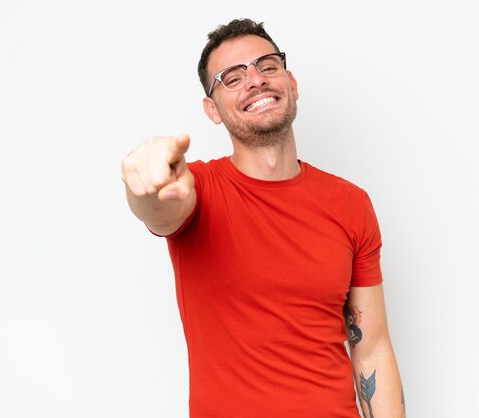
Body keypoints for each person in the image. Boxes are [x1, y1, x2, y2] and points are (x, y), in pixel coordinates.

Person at [121, 18, 405, 418]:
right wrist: (145, 188)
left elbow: (371, 346)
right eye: (232, 78)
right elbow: (162, 208)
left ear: (291, 83)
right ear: (212, 109)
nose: (255, 80)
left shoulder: (351, 203)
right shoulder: (198, 189)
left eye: (267, 66)